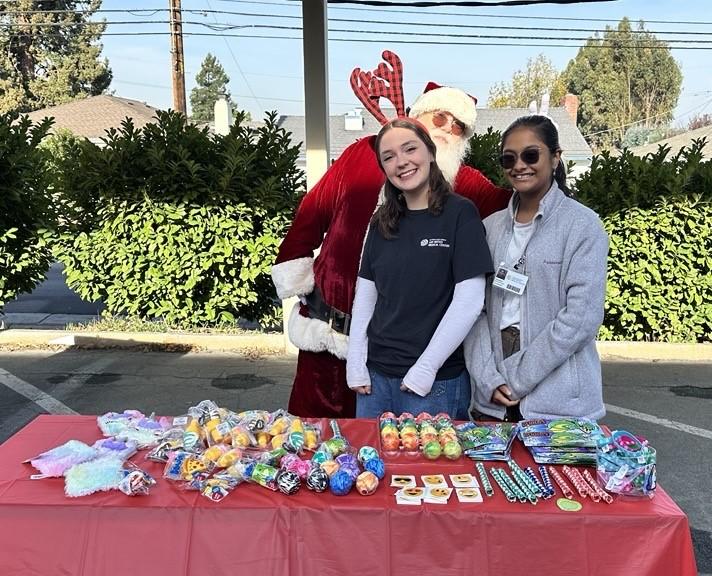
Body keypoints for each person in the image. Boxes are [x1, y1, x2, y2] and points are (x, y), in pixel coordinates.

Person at [271, 52, 510, 418]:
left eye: (459, 127)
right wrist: (294, 269)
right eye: (441, 118)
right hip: (327, 339)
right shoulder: (359, 155)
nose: (447, 129)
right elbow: (312, 211)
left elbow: (510, 205)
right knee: (313, 444)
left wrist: (536, 171)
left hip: (402, 363)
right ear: (419, 116)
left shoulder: (465, 189)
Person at [346, 118, 493, 419]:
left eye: (409, 149)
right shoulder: (381, 221)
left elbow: (469, 301)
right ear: (384, 168)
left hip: (434, 383)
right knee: (370, 464)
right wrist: (356, 361)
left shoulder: (460, 214)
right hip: (375, 381)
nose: (401, 162)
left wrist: (425, 369)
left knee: (429, 468)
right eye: (389, 157)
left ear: (429, 151)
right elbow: (366, 296)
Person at [465, 115, 609, 422]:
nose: (519, 165)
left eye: (531, 155)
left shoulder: (582, 225)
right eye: (509, 158)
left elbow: (581, 318)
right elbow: (473, 310)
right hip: (492, 401)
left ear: (555, 158)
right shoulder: (488, 228)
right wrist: (487, 377)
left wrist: (518, 378)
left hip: (558, 406)